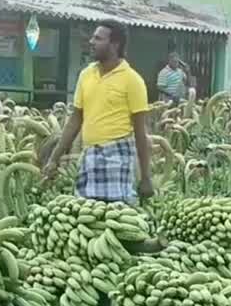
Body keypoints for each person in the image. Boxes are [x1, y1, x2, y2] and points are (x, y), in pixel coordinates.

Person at [43, 20, 154, 204]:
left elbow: (141, 133)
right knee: (88, 214)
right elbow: (75, 120)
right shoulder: (86, 75)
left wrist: (145, 177)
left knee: (115, 217)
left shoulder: (132, 80)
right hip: (90, 155)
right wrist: (54, 158)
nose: (91, 42)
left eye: (98, 38)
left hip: (117, 155)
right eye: (93, 37)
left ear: (115, 44)